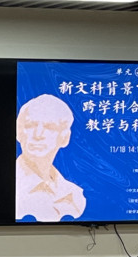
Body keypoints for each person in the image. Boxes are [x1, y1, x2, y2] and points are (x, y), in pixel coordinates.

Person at [15, 94, 86, 222]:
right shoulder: (7, 188)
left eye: (49, 127)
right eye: (31, 125)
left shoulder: (75, 196)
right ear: (19, 132)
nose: (38, 135)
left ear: (65, 138)